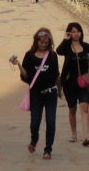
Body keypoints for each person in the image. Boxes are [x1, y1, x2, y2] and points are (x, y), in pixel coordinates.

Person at [13, 27, 60, 159]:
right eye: (41, 42)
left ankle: (48, 149)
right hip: (36, 94)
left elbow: (56, 74)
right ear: (36, 42)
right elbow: (26, 76)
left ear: (49, 42)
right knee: (35, 121)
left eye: (45, 42)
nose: (43, 45)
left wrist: (60, 89)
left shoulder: (52, 55)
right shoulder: (29, 55)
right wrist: (18, 65)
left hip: (50, 92)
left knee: (51, 121)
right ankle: (34, 140)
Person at [56, 22, 89, 145]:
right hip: (68, 83)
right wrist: (65, 39)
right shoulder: (66, 47)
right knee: (72, 109)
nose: (76, 34)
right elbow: (58, 51)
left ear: (81, 33)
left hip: (84, 83)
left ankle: (86, 137)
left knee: (85, 108)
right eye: (72, 31)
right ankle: (74, 134)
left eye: (77, 31)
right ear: (69, 33)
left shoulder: (87, 47)